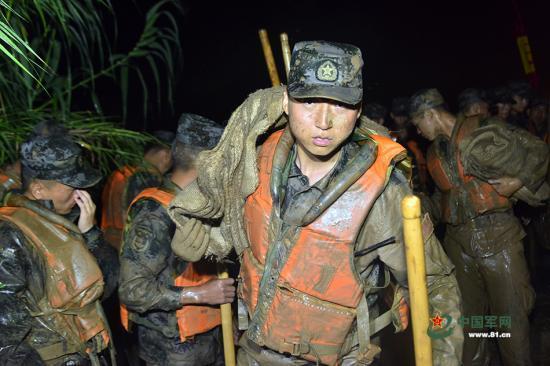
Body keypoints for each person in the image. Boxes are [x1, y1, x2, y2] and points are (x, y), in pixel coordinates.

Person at [168, 41, 463, 366]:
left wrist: (444, 354)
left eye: (340, 105)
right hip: (253, 352)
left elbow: (436, 283)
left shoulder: (382, 194)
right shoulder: (254, 163)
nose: (324, 120)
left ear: (359, 109)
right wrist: (205, 240)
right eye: (309, 101)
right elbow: (247, 242)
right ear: (286, 101)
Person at [409, 88, 546, 366]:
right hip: (458, 245)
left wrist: (518, 182)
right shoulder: (435, 150)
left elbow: (538, 152)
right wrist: (419, 208)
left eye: (417, 123)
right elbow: (442, 198)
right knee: (469, 323)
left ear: (430, 114)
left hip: (499, 236)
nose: (418, 131)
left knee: (511, 320)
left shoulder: (483, 128)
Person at [118, 114, 234, 366]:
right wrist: (197, 294)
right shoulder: (154, 212)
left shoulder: (204, 206)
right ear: (208, 164)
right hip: (172, 346)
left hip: (210, 335)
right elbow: (132, 290)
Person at [0, 130, 118, 365]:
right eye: (72, 186)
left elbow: (110, 285)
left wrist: (90, 233)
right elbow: (6, 331)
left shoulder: (62, 222)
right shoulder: (10, 233)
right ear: (38, 190)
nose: (81, 194)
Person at [100, 130, 174, 249]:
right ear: (167, 155)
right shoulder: (150, 179)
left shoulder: (120, 173)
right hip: (127, 249)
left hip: (105, 244)